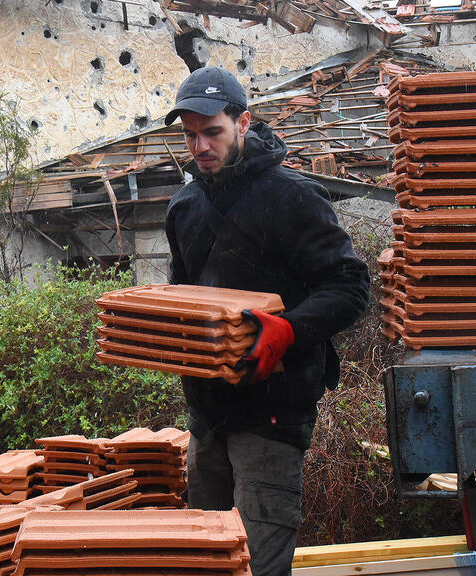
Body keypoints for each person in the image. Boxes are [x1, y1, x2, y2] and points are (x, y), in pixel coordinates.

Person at [163, 66, 370, 576]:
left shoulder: (292, 197)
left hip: (274, 417)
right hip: (207, 418)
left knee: (255, 568)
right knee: (205, 566)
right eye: (190, 135)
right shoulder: (184, 208)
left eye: (212, 131)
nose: (200, 146)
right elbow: (183, 299)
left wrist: (291, 330)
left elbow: (350, 286)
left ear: (244, 122)